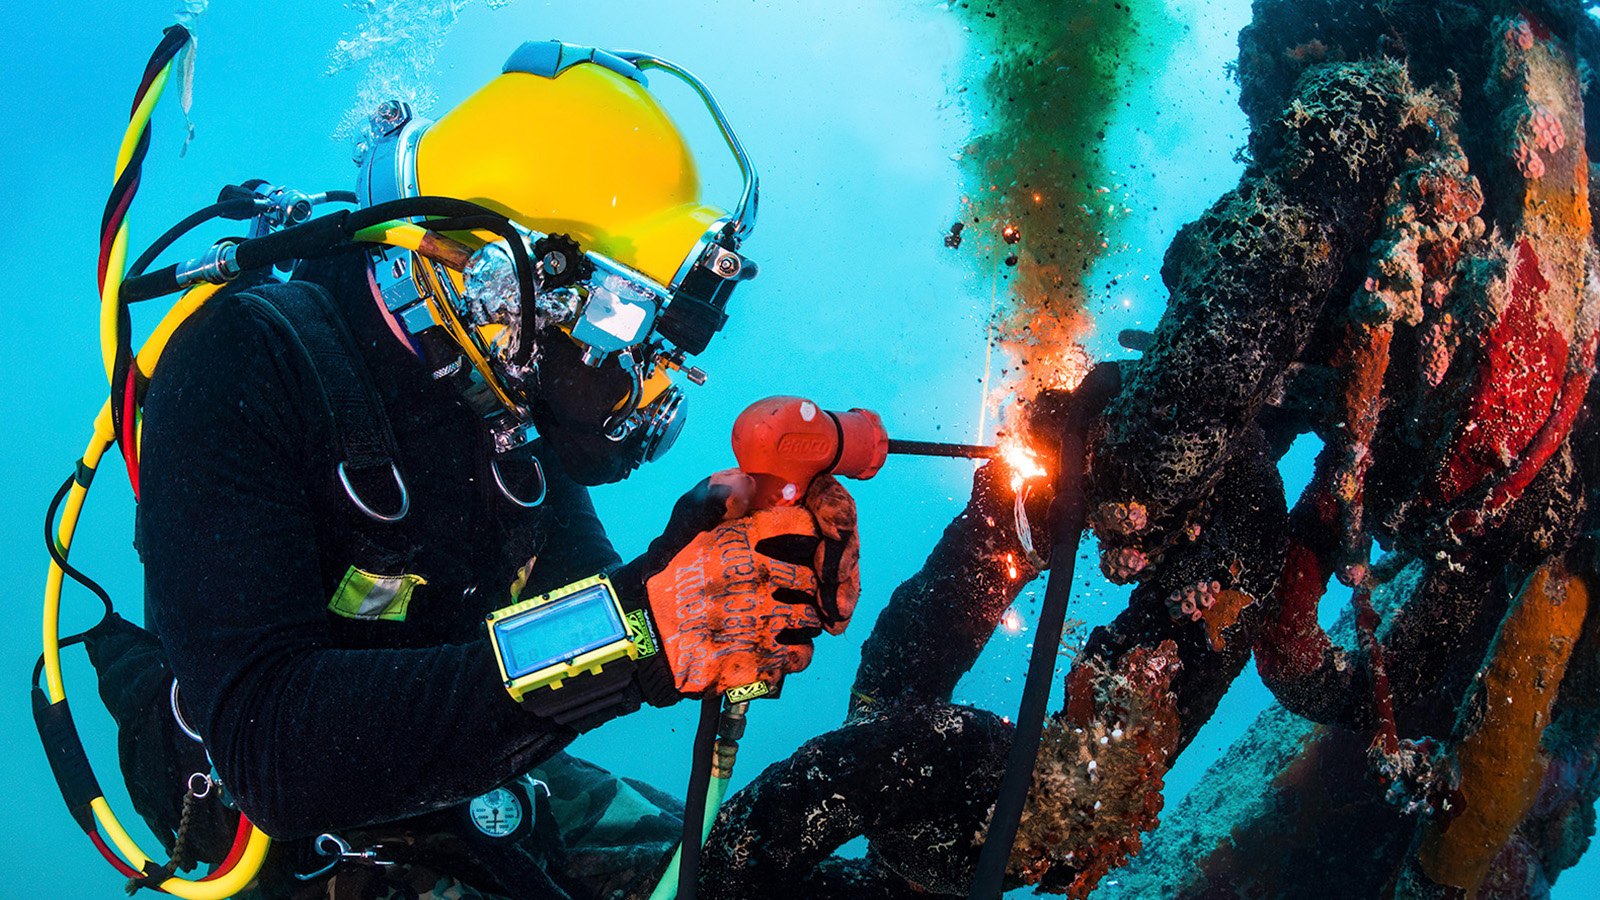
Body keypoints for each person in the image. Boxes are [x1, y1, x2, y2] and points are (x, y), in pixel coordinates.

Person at [130, 40, 859, 900]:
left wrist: (694, 554)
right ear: (504, 277)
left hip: (460, 774)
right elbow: (274, 751)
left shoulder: (503, 398)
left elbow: (591, 599)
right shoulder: (243, 365)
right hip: (274, 829)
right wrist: (647, 630)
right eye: (628, 321)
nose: (649, 377)